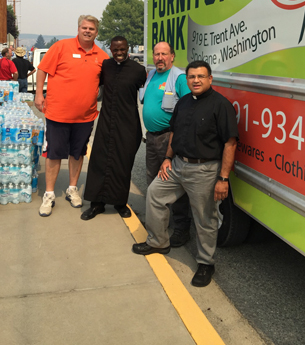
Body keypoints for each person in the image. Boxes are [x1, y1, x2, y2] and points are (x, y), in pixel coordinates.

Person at [133, 60, 239, 288]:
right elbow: (174, 133)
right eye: (192, 77)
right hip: (178, 165)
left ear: (210, 79)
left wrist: (223, 178)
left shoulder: (221, 105)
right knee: (154, 194)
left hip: (204, 169)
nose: (196, 80)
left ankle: (206, 263)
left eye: (201, 76)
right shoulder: (183, 103)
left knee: (204, 218)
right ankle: (158, 242)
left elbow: (230, 143)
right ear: (187, 79)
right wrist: (168, 158)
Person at [34, 15, 109, 217]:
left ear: (96, 32)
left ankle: (72, 188)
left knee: (77, 153)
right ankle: (49, 194)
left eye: (91, 29)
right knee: (54, 154)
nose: (87, 31)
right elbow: (42, 70)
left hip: (85, 116)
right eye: (84, 27)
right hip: (58, 114)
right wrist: (39, 93)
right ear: (78, 28)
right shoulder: (61, 47)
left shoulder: (102, 57)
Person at [81, 36, 146, 220]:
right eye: (115, 50)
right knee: (99, 161)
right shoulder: (105, 66)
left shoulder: (139, 70)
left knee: (123, 163)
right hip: (106, 121)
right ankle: (96, 204)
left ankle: (120, 203)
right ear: (110, 49)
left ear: (127, 49)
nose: (119, 53)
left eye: (122, 49)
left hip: (128, 124)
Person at [139, 41, 191, 247]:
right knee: (153, 183)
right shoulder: (151, 75)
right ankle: (158, 224)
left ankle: (181, 229)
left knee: (173, 185)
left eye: (164, 54)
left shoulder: (179, 78)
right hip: (151, 137)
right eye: (157, 54)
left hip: (169, 138)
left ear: (172, 56)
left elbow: (188, 109)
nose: (160, 58)